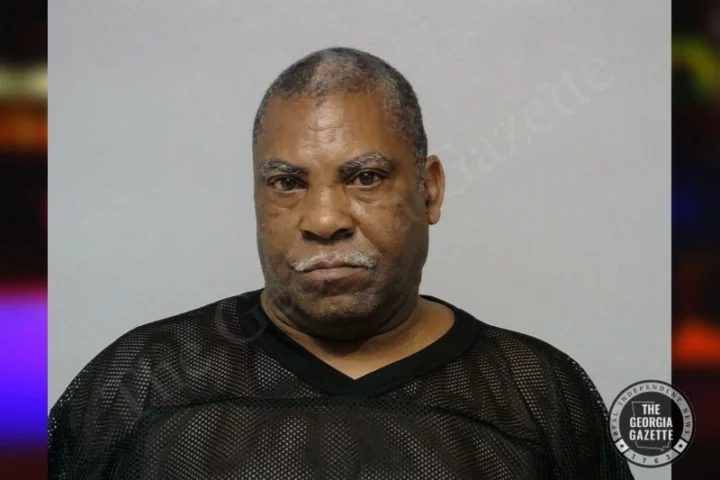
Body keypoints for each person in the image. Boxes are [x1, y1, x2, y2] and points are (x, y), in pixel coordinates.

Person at [49, 47, 634, 479]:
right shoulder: (142, 383)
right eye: (287, 183)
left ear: (429, 191)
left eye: (365, 177)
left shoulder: (539, 394)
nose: (325, 219)